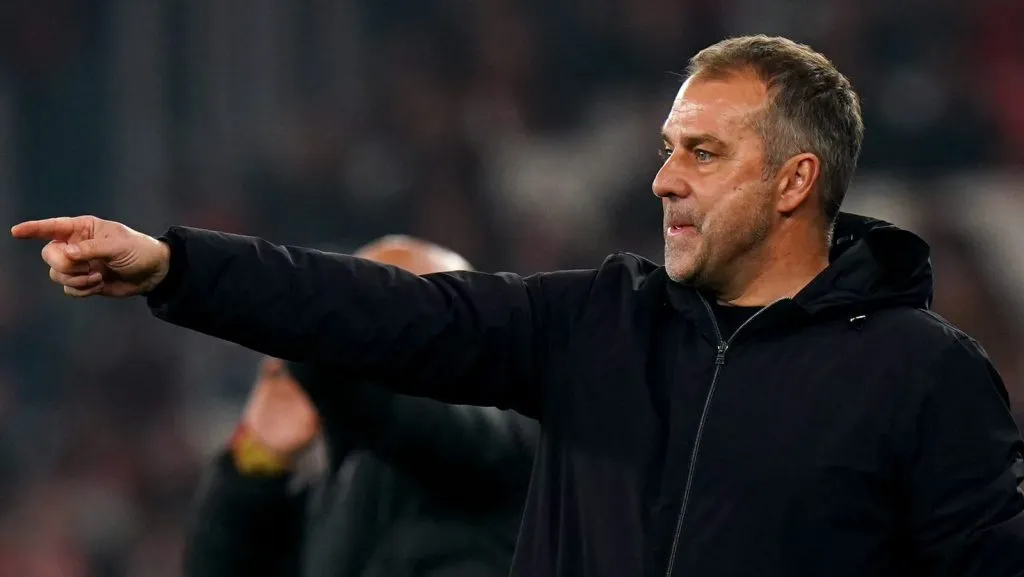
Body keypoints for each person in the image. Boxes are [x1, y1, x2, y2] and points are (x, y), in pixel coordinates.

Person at [13, 35, 1024, 576]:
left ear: (796, 181)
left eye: (703, 152)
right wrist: (175, 268)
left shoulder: (917, 371)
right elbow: (377, 314)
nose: (664, 179)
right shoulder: (596, 326)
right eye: (667, 147)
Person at [183, 236, 538, 577]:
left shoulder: (510, 431)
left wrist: (296, 315)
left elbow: (404, 414)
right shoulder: (337, 482)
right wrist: (256, 463)